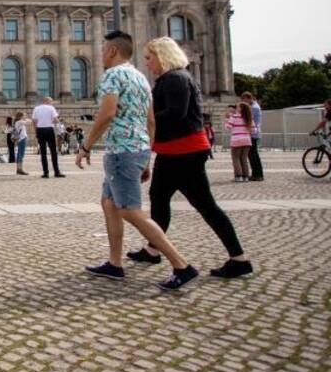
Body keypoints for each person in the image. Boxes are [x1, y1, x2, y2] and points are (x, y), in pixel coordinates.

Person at [78, 30, 198, 291]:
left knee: (130, 210)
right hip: (138, 148)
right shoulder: (141, 78)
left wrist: (85, 145)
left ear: (112, 51)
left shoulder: (112, 75)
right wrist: (147, 157)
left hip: (121, 150)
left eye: (103, 49)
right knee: (109, 203)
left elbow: (107, 113)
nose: (100, 53)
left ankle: (181, 265)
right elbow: (151, 120)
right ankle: (114, 263)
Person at [126, 37, 252, 279]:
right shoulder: (173, 78)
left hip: (184, 152)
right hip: (174, 150)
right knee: (159, 198)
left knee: (204, 205)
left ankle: (239, 258)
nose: (148, 64)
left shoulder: (176, 78)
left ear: (163, 57)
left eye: (150, 58)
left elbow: (176, 113)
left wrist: (144, 117)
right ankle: (153, 248)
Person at [33, 97, 63, 178]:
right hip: (49, 129)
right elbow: (56, 120)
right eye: (51, 101)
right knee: (53, 151)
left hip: (40, 130)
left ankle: (45, 173)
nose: (51, 103)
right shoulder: (51, 108)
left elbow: (35, 121)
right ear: (46, 101)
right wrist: (54, 121)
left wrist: (36, 131)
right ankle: (56, 172)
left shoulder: (36, 108)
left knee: (43, 153)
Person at [226, 102, 256, 182]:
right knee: (244, 159)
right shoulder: (249, 118)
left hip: (236, 140)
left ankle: (238, 176)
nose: (236, 108)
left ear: (241, 109)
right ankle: (246, 176)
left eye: (237, 107)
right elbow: (254, 130)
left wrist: (228, 119)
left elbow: (228, 127)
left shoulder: (234, 117)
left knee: (236, 158)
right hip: (247, 140)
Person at [241, 92, 264, 181]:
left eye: (244, 100)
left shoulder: (253, 107)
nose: (244, 102)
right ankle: (256, 174)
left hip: (253, 133)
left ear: (248, 98)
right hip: (253, 133)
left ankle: (258, 175)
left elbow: (249, 119)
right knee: (252, 155)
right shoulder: (254, 106)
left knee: (253, 155)